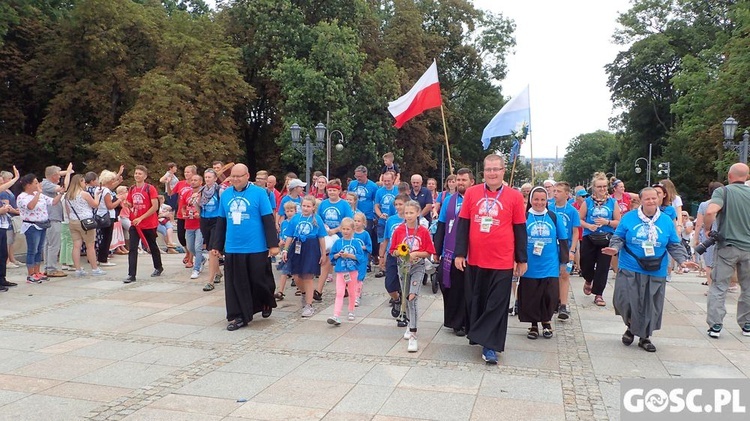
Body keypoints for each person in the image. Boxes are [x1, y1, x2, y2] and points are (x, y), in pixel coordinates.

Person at [602, 187, 698, 352]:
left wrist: (683, 260)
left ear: (659, 200)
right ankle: (631, 325)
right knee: (624, 301)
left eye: (654, 198)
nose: (652, 201)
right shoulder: (629, 218)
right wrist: (615, 248)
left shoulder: (666, 220)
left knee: (651, 305)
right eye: (648, 199)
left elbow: (674, 244)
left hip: (656, 269)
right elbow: (618, 237)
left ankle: (644, 337)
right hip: (630, 265)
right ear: (641, 200)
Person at [454, 154, 527, 365]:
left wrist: (521, 258)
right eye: (488, 170)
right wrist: (460, 253)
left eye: (496, 169)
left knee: (496, 304)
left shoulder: (513, 196)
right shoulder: (471, 193)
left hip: (502, 260)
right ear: (483, 172)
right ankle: (480, 335)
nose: (492, 173)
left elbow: (520, 229)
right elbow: (463, 225)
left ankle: (490, 346)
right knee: (477, 301)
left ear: (503, 171)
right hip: (476, 259)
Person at [210, 163, 278, 330]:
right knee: (235, 284)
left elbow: (268, 220)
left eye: (239, 176)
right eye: (233, 176)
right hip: (233, 247)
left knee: (259, 280)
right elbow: (221, 221)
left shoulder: (259, 193)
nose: (235, 179)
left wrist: (273, 245)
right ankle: (238, 315)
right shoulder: (225, 195)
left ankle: (265, 301)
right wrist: (216, 245)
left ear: (248, 176)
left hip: (256, 247)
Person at [703, 163, 750, 338]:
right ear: (747, 177)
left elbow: (710, 211)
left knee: (719, 286)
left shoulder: (723, 192)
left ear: (730, 176)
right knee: (748, 288)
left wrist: (708, 229)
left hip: (728, 246)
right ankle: (747, 324)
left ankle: (715, 325)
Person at [520, 187, 568, 339]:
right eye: (536, 199)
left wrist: (564, 262)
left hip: (550, 264)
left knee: (549, 295)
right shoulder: (524, 216)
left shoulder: (553, 217)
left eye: (542, 199)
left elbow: (563, 239)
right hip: (530, 265)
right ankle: (533, 324)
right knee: (531, 295)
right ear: (530, 200)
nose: (539, 203)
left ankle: (546, 322)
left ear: (547, 201)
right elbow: (518, 239)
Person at [389, 200, 436, 352]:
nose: (408, 215)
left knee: (412, 297)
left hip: (417, 266)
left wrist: (415, 253)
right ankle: (410, 323)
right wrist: (401, 253)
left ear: (417, 213)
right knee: (405, 297)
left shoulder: (423, 231)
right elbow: (393, 250)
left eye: (411, 213)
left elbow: (429, 251)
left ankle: (414, 335)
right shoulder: (399, 230)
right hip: (403, 267)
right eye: (406, 213)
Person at [433, 168, 474, 336]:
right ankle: (452, 319)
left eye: (464, 180)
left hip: (470, 252)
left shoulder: (476, 200)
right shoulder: (449, 200)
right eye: (458, 180)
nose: (460, 183)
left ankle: (463, 322)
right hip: (449, 250)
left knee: (464, 288)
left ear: (472, 182)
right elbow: (441, 225)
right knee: (448, 285)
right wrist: (436, 249)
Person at [578, 173, 620, 306]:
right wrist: (589, 225)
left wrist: (607, 222)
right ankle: (588, 279)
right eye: (599, 187)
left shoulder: (613, 202)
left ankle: (599, 294)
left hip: (606, 237)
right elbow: (579, 219)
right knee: (586, 263)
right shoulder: (588, 202)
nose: (602, 189)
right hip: (589, 236)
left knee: (603, 266)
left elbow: (618, 222)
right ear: (593, 187)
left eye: (604, 186)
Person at [281, 195, 327, 318]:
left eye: (308, 206)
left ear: (313, 207)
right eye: (304, 206)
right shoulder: (295, 218)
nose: (305, 208)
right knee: (296, 275)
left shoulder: (317, 219)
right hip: (297, 246)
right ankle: (304, 293)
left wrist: (323, 253)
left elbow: (321, 237)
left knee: (308, 276)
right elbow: (289, 235)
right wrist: (285, 250)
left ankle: (309, 304)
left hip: (311, 247)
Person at [17, 173, 63, 283]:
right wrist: (38, 193)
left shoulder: (41, 196)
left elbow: (53, 202)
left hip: (42, 224)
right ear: (28, 185)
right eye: (35, 183)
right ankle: (30, 274)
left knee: (39, 250)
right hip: (32, 225)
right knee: (32, 250)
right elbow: (31, 206)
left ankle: (37, 271)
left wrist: (60, 193)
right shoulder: (22, 197)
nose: (38, 185)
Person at [123, 165, 163, 284]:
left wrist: (142, 217)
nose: (137, 175)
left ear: (145, 176)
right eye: (136, 173)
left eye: (140, 174)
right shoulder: (132, 189)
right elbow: (131, 203)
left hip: (148, 223)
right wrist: (127, 204)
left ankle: (158, 266)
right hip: (135, 223)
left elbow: (154, 206)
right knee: (133, 248)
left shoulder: (149, 188)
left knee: (152, 245)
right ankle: (131, 274)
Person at [315, 179, 353, 297]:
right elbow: (319, 219)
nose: (331, 192)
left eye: (334, 190)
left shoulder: (344, 204)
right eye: (329, 190)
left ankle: (347, 288)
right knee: (326, 262)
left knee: (344, 265)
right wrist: (325, 229)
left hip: (342, 237)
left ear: (339, 191)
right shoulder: (323, 204)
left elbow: (349, 221)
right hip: (327, 237)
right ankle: (319, 290)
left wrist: (336, 230)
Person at [549, 181, 580, 320]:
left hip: (565, 247)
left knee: (565, 275)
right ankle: (553, 301)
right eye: (554, 191)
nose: (555, 193)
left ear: (567, 194)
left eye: (558, 191)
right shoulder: (549, 208)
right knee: (552, 275)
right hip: (550, 247)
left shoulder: (572, 210)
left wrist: (572, 250)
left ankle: (563, 305)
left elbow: (575, 232)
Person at [64, 174, 106, 277]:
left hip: (73, 221)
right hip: (86, 221)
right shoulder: (84, 194)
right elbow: (95, 204)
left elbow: (68, 210)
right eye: (83, 182)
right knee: (90, 246)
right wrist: (97, 195)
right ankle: (95, 268)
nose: (84, 184)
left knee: (76, 245)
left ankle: (78, 269)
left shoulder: (68, 195)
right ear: (80, 182)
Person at [327, 217, 363, 325]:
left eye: (348, 229)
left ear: (353, 230)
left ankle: (351, 310)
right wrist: (337, 255)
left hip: (352, 271)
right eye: (343, 229)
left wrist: (350, 255)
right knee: (340, 293)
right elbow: (332, 255)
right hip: (341, 271)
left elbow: (361, 257)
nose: (345, 231)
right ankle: (336, 314)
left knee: (352, 292)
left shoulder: (356, 243)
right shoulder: (338, 242)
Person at [42, 164, 74, 278]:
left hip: (51, 218)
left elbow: (56, 176)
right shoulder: (47, 184)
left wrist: (67, 172)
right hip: (52, 218)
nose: (60, 178)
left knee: (48, 244)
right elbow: (63, 188)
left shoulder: (47, 183)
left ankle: (48, 267)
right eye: (58, 175)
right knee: (53, 245)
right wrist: (68, 173)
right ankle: (51, 268)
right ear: (54, 176)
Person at [382, 194, 408, 322]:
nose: (398, 207)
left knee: (405, 285)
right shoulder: (391, 220)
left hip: (407, 256)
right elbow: (386, 238)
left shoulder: (411, 219)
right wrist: (382, 256)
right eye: (396, 205)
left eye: (400, 204)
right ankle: (396, 298)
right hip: (393, 255)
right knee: (390, 284)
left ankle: (404, 314)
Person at [694, 182, 723, 293]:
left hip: (709, 236)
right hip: (724, 236)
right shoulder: (726, 203)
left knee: (709, 263)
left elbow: (698, 224)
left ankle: (711, 287)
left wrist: (696, 238)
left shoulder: (705, 205)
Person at [348, 166, 379, 267]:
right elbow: (349, 197)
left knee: (366, 237)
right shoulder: (352, 184)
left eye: (360, 176)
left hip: (367, 215)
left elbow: (376, 201)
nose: (358, 178)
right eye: (356, 176)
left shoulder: (373, 186)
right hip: (353, 214)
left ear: (365, 174)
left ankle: (367, 261)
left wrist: (375, 215)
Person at [199, 169, 223, 291]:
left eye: (209, 177)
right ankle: (218, 272)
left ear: (215, 178)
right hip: (204, 220)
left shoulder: (219, 190)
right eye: (206, 177)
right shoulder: (202, 190)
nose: (207, 179)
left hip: (216, 220)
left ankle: (210, 281)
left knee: (212, 250)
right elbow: (199, 206)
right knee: (209, 248)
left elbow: (224, 205)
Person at [94, 169, 124, 267]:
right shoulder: (106, 192)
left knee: (104, 237)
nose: (113, 181)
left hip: (100, 214)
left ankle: (101, 258)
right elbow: (110, 206)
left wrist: (118, 181)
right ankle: (103, 259)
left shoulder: (99, 189)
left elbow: (110, 186)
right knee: (107, 238)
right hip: (108, 216)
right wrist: (119, 200)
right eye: (112, 180)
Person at [374, 171, 399, 278]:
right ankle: (381, 267)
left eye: (389, 181)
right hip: (383, 221)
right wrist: (380, 215)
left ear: (393, 180)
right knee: (382, 243)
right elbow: (376, 206)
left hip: (394, 221)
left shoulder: (397, 191)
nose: (387, 183)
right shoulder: (379, 191)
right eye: (385, 181)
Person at [0, 166, 20, 290]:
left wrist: (16, 178)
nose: (3, 185)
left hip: (2, 225)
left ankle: (2, 279)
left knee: (3, 254)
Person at [173, 165, 197, 268]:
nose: (186, 174)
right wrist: (169, 183)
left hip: (191, 216)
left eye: (188, 172)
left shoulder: (196, 185)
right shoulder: (180, 183)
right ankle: (188, 251)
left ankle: (191, 260)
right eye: (185, 172)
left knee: (190, 238)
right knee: (181, 237)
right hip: (180, 214)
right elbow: (171, 193)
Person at [181, 174, 204, 280]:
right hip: (189, 223)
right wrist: (184, 213)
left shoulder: (203, 194)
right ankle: (202, 259)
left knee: (198, 247)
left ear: (201, 182)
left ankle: (197, 268)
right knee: (190, 247)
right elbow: (183, 207)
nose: (193, 182)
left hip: (199, 224)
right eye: (192, 180)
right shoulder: (186, 193)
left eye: (196, 180)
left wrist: (200, 214)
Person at [274, 201, 296, 300]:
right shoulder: (284, 223)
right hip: (285, 249)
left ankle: (301, 288)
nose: (289, 213)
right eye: (287, 211)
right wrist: (281, 242)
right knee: (285, 270)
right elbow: (282, 235)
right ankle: (280, 291)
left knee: (296, 271)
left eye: (291, 211)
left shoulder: (296, 221)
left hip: (294, 248)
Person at [352, 212, 372, 307]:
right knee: (351, 278)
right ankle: (353, 293)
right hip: (351, 260)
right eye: (355, 221)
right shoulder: (351, 233)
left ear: (363, 222)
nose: (356, 223)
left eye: (358, 221)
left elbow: (369, 246)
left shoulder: (365, 234)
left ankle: (357, 296)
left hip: (362, 260)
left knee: (359, 278)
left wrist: (362, 247)